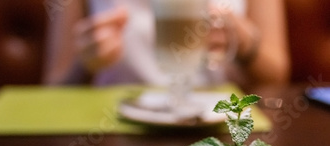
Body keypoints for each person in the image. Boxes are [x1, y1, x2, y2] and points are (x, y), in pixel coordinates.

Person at [43, 0, 290, 91]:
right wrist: (85, 64)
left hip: (219, 129)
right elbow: (54, 86)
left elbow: (277, 75)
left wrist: (246, 43)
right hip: (113, 131)